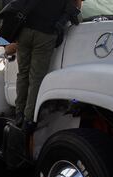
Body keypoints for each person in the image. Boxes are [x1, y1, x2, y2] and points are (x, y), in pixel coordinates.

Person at [14, 0, 82, 131]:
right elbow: (75, 9)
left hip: (24, 30)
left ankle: (18, 114)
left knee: (22, 73)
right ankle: (28, 119)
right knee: (36, 77)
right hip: (46, 32)